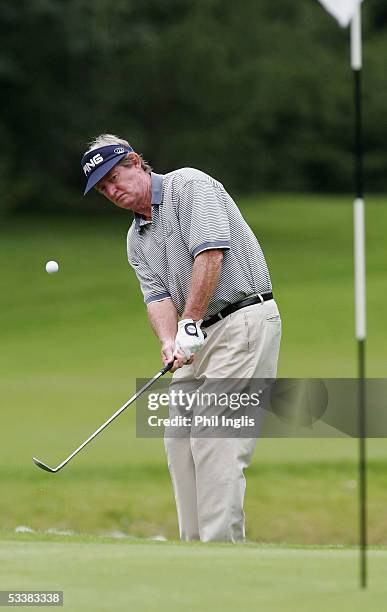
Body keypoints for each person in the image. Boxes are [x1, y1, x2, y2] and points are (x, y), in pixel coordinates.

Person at [81, 134, 281, 542]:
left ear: (136, 162)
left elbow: (210, 253)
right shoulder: (136, 238)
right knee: (178, 439)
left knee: (214, 435)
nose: (112, 191)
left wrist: (188, 324)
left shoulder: (188, 185)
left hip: (242, 321)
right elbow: (156, 297)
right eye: (104, 189)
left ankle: (220, 549)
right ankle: (193, 550)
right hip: (197, 337)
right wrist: (170, 341)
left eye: (114, 178)